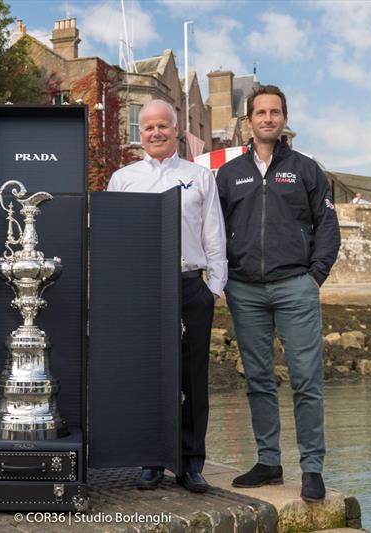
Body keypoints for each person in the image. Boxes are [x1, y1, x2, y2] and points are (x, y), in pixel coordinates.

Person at [215, 85, 340, 502]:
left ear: (284, 119)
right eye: (260, 112)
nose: (268, 118)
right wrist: (225, 277)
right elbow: (214, 230)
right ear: (248, 121)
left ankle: (312, 467)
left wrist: (314, 277)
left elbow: (327, 227)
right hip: (245, 289)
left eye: (275, 112)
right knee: (259, 380)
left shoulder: (306, 169)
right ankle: (269, 461)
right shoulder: (230, 174)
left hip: (295, 287)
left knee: (306, 379)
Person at [108, 99, 226, 493]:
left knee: (193, 378)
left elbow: (214, 232)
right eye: (148, 128)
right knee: (148, 375)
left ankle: (191, 463)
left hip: (191, 284)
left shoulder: (200, 176)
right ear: (138, 133)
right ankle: (151, 459)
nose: (156, 133)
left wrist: (214, 287)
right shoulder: (123, 179)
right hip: (143, 288)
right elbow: (116, 240)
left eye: (163, 126)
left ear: (176, 129)